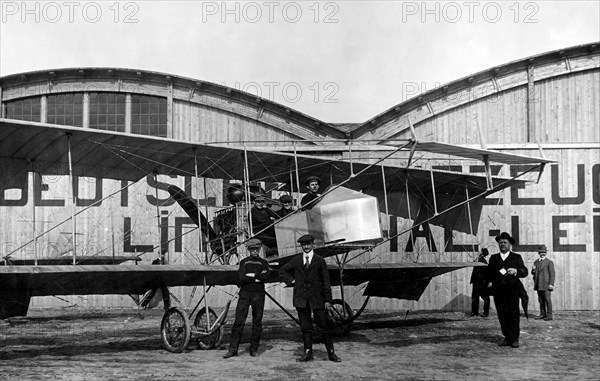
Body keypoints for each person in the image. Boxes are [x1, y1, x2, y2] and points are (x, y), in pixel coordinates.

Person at [279, 234, 341, 362]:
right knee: (305, 327)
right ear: (301, 246)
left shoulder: (319, 260)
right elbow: (283, 270)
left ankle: (331, 353)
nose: (306, 247)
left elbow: (326, 281)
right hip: (301, 299)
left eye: (308, 244)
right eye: (303, 245)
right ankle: (308, 353)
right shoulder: (297, 260)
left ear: (313, 245)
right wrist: (291, 281)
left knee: (324, 326)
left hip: (318, 299)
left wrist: (328, 300)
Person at [224, 238, 273, 358]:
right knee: (239, 322)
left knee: (257, 322)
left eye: (257, 249)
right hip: (245, 294)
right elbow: (242, 277)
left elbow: (266, 275)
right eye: (252, 249)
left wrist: (252, 275)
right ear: (249, 250)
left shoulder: (264, 262)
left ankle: (253, 349)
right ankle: (233, 350)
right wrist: (258, 278)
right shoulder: (244, 262)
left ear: (259, 249)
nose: (255, 251)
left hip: (259, 295)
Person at [486, 232, 528, 348]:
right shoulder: (494, 258)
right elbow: (489, 273)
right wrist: (489, 282)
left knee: (513, 315)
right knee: (502, 315)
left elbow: (525, 271)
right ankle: (507, 337)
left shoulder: (516, 257)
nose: (502, 244)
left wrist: (516, 271)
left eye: (505, 242)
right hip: (499, 292)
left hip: (512, 292)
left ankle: (514, 339)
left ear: (510, 244)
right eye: (500, 243)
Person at [531, 245, 555, 321]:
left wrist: (551, 284)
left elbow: (552, 274)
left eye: (544, 252)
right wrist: (533, 270)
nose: (542, 254)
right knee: (541, 300)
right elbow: (533, 273)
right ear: (539, 253)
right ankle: (542, 314)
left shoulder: (549, 262)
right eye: (541, 252)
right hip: (538, 284)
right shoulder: (536, 262)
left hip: (546, 284)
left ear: (546, 253)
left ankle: (549, 315)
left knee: (547, 300)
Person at [470, 248, 490, 317]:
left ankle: (475, 313)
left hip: (479, 283)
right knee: (483, 298)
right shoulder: (482, 261)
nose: (478, 252)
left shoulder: (482, 261)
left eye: (480, 251)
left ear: (482, 253)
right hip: (479, 282)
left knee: (481, 298)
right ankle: (484, 313)